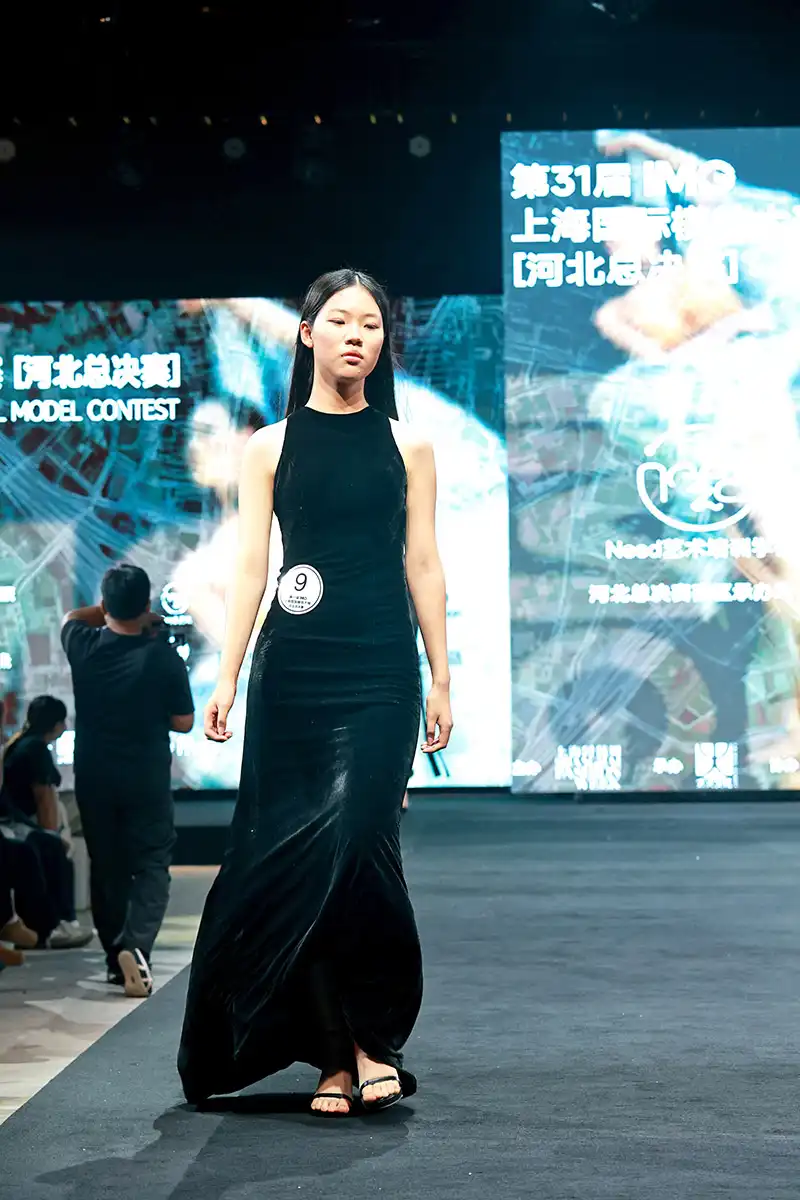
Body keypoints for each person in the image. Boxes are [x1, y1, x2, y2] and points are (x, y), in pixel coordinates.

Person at [178, 268, 453, 1116]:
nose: (355, 336)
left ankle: (374, 1039)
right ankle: (334, 1053)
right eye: (339, 321)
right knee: (297, 858)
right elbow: (251, 568)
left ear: (383, 341)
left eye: (369, 324)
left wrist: (442, 676)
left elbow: (423, 563)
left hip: (381, 671)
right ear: (306, 333)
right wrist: (227, 675)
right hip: (293, 672)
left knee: (360, 843)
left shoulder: (410, 447)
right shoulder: (268, 446)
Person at [61, 564, 195, 997]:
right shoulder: (163, 658)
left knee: (107, 869)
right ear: (147, 603)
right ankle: (136, 948)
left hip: (94, 777)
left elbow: (70, 618)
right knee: (152, 864)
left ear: (104, 604)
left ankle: (115, 962)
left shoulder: (82, 644)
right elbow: (184, 721)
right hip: (145, 778)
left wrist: (107, 611)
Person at [1, 696, 93, 949]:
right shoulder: (35, 749)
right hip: (19, 824)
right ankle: (59, 925)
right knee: (52, 851)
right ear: (56, 724)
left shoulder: (19, 744)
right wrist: (52, 833)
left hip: (16, 823)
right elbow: (44, 797)